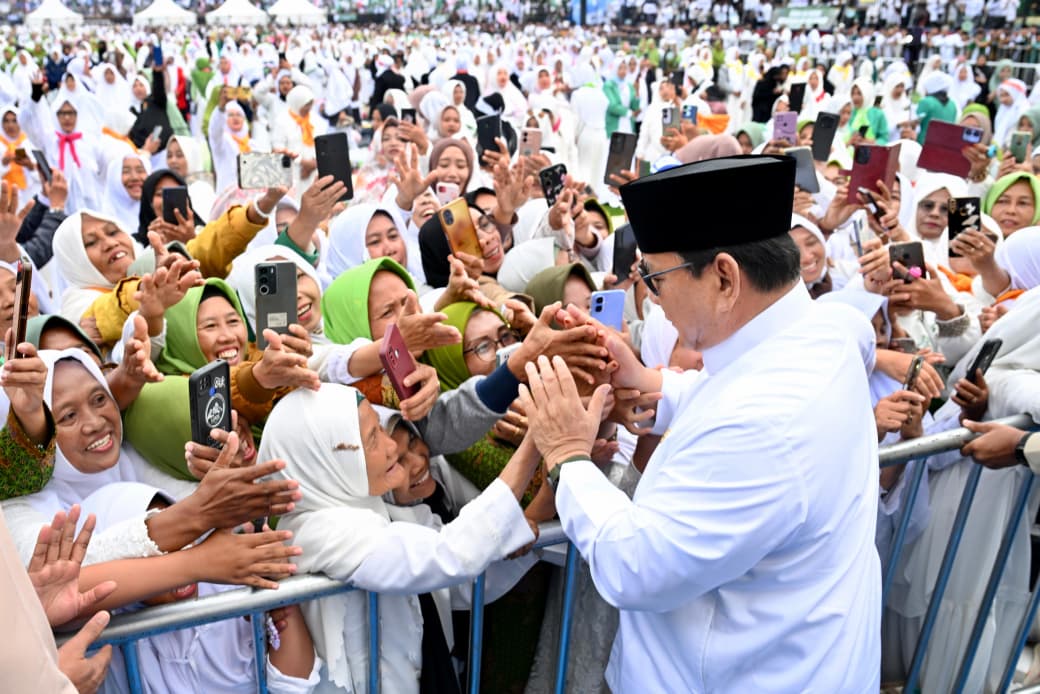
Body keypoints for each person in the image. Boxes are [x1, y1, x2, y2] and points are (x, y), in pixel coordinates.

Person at [520, 155, 882, 691]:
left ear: (724, 278)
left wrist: (567, 456)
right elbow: (729, 389)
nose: (651, 295)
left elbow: (635, 566)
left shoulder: (763, 426)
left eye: (656, 277)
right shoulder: (824, 330)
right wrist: (648, 381)